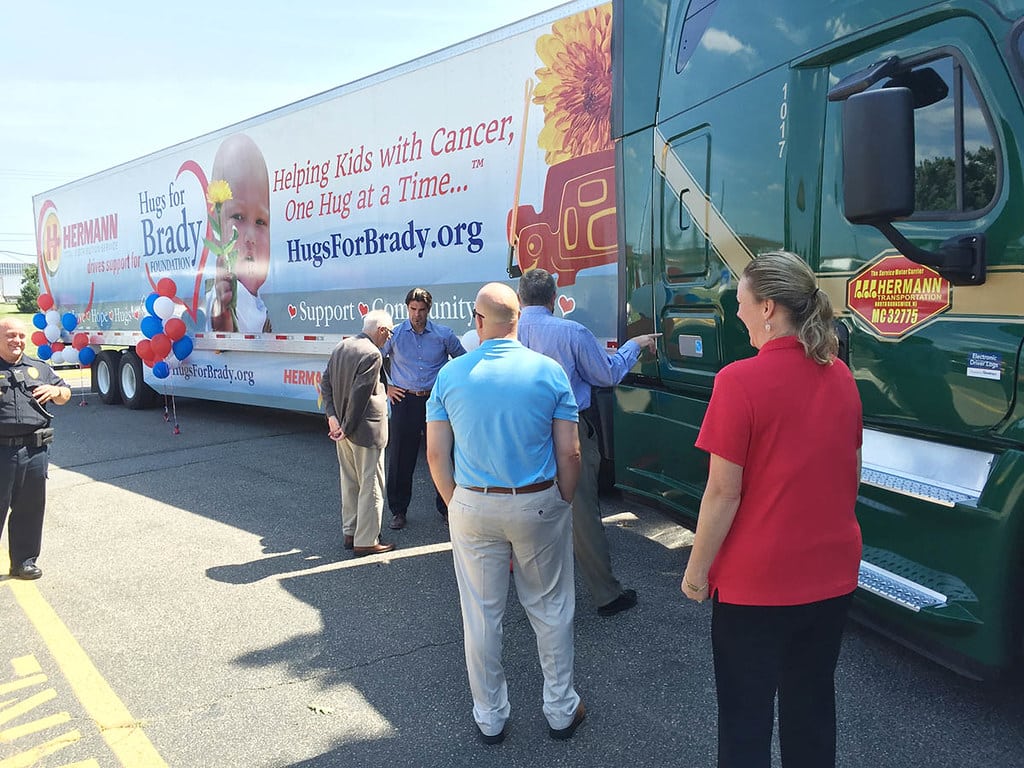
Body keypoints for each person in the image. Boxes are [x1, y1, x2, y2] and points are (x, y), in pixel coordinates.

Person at [680, 251, 863, 768]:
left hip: (757, 584)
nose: (737, 313)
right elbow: (848, 473)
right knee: (811, 711)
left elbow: (722, 493)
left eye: (740, 303)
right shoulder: (841, 376)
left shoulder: (738, 381)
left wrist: (696, 574)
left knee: (745, 722)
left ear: (767, 309)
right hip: (830, 575)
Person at [426, 282, 584, 745]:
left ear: (478, 322)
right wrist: (562, 500)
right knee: (551, 609)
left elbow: (437, 456)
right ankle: (560, 709)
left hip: (473, 502)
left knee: (481, 614)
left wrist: (456, 501)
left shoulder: (451, 376)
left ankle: (490, 717)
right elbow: (570, 454)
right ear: (517, 320)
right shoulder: (548, 372)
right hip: (537, 500)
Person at [517, 268, 658, 616]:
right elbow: (606, 374)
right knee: (581, 513)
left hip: (520, 431)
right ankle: (606, 595)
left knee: (529, 513)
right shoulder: (572, 332)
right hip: (567, 427)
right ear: (554, 299)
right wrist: (633, 345)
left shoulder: (507, 332)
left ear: (520, 299)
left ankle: (537, 599)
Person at [381, 287, 465, 530]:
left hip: (435, 403)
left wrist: (452, 391)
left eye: (421, 310)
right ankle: (398, 510)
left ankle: (447, 506)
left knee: (442, 455)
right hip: (404, 401)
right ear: (407, 308)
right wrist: (385, 386)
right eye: (412, 309)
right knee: (400, 458)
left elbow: (462, 361)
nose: (416, 314)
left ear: (429, 310)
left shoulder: (443, 335)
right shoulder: (394, 334)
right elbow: (372, 359)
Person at [0, 317, 72, 579]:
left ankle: (24, 561)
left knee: (30, 508)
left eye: (20, 336)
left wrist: (55, 391)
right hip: (1, 452)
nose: (16, 341)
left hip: (34, 451)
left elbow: (66, 395)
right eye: (10, 335)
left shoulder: (38, 368)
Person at [320, 310, 396, 557]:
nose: (388, 339)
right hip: (365, 431)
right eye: (389, 333)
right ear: (382, 330)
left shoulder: (342, 346)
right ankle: (366, 540)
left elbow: (325, 384)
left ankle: (350, 531)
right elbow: (360, 395)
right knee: (371, 484)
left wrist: (334, 421)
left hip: (342, 430)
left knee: (350, 483)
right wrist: (347, 426)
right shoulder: (373, 353)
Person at [206, 133, 273, 334]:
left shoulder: (256, 301)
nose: (251, 237)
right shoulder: (226, 291)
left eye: (261, 221)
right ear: (216, 229)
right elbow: (223, 327)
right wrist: (223, 313)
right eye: (238, 217)